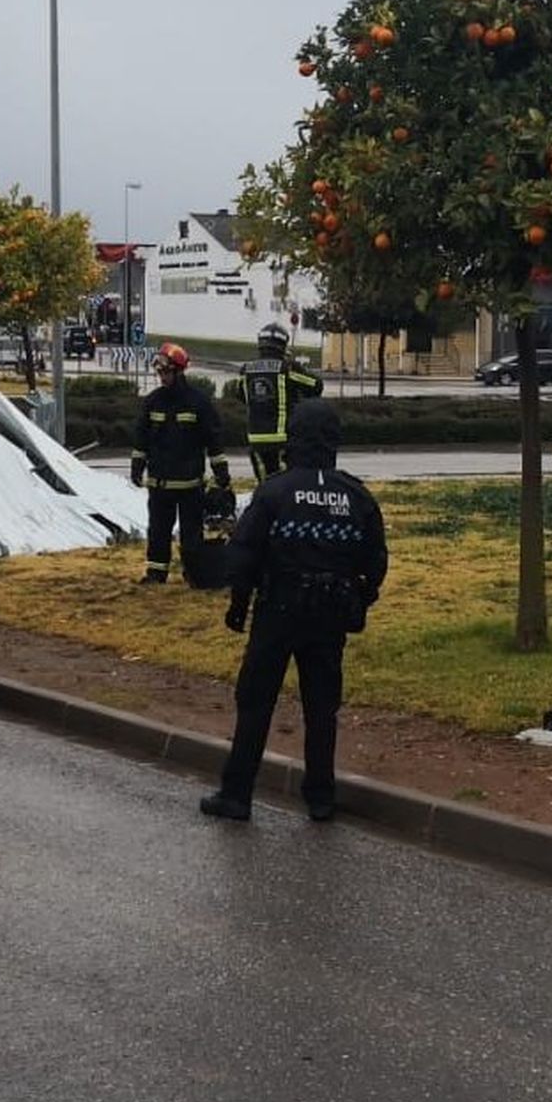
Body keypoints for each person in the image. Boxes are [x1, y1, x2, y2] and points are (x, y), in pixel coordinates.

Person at [200, 397, 388, 824]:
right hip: (330, 614)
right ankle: (320, 798)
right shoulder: (355, 495)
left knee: (255, 701)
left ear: (293, 438)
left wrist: (238, 604)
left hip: (279, 610)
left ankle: (237, 795)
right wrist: (361, 598)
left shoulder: (275, 492)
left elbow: (244, 552)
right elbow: (376, 558)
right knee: (322, 708)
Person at [130, 342, 231, 584]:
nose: (162, 377)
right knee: (158, 532)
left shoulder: (198, 403)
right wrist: (137, 467)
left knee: (191, 535)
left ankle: (194, 573)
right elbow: (141, 438)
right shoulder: (153, 402)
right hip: (160, 484)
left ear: (178, 371)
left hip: (190, 486)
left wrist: (222, 473)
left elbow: (214, 441)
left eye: (166, 372)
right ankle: (156, 572)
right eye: (160, 373)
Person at [234, 323, 323, 481]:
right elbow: (316, 386)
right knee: (285, 489)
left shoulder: (246, 370)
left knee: (264, 489)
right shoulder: (286, 368)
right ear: (282, 345)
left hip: (255, 440)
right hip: (283, 441)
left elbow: (239, 393)